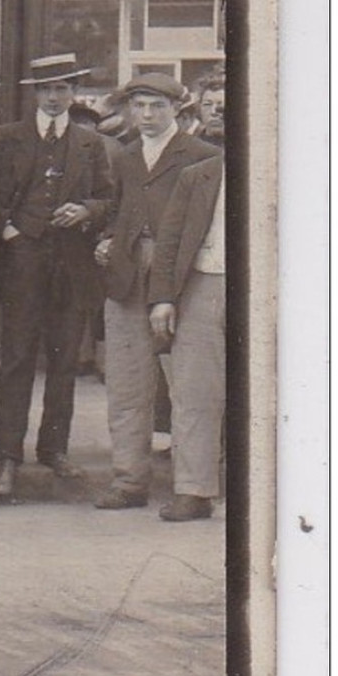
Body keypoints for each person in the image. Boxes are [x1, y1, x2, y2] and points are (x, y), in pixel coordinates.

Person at [0, 53, 113, 500]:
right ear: (35, 93)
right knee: (17, 360)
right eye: (47, 89)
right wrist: (9, 230)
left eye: (63, 88)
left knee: (64, 360)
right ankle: (7, 457)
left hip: (72, 265)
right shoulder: (8, 138)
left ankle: (54, 449)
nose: (55, 96)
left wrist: (86, 210)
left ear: (74, 93)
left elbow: (108, 198)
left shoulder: (90, 143)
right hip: (21, 263)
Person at [93, 72, 219, 510]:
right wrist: (110, 237)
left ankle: (193, 489)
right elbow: (120, 208)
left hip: (186, 280)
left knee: (190, 387)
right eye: (140, 106)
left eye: (157, 107)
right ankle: (129, 481)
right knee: (127, 384)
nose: (147, 115)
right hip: (128, 278)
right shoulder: (126, 156)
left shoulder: (201, 156)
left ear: (177, 111)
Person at [147, 154, 225, 522]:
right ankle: (194, 490)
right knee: (195, 391)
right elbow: (170, 239)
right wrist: (163, 298)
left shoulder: (302, 169)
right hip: (203, 284)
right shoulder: (198, 175)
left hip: (276, 288)